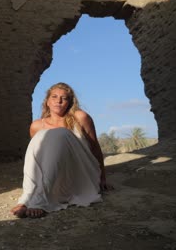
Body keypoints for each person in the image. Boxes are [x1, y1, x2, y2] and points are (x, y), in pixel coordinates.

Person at [10, 82, 113, 218]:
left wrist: (102, 177)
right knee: (41, 136)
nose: (59, 101)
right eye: (54, 97)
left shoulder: (80, 117)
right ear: (47, 101)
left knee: (60, 134)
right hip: (56, 178)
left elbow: (95, 147)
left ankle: (40, 201)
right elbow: (38, 156)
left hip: (80, 172)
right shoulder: (37, 126)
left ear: (69, 103)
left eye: (64, 98)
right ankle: (27, 197)